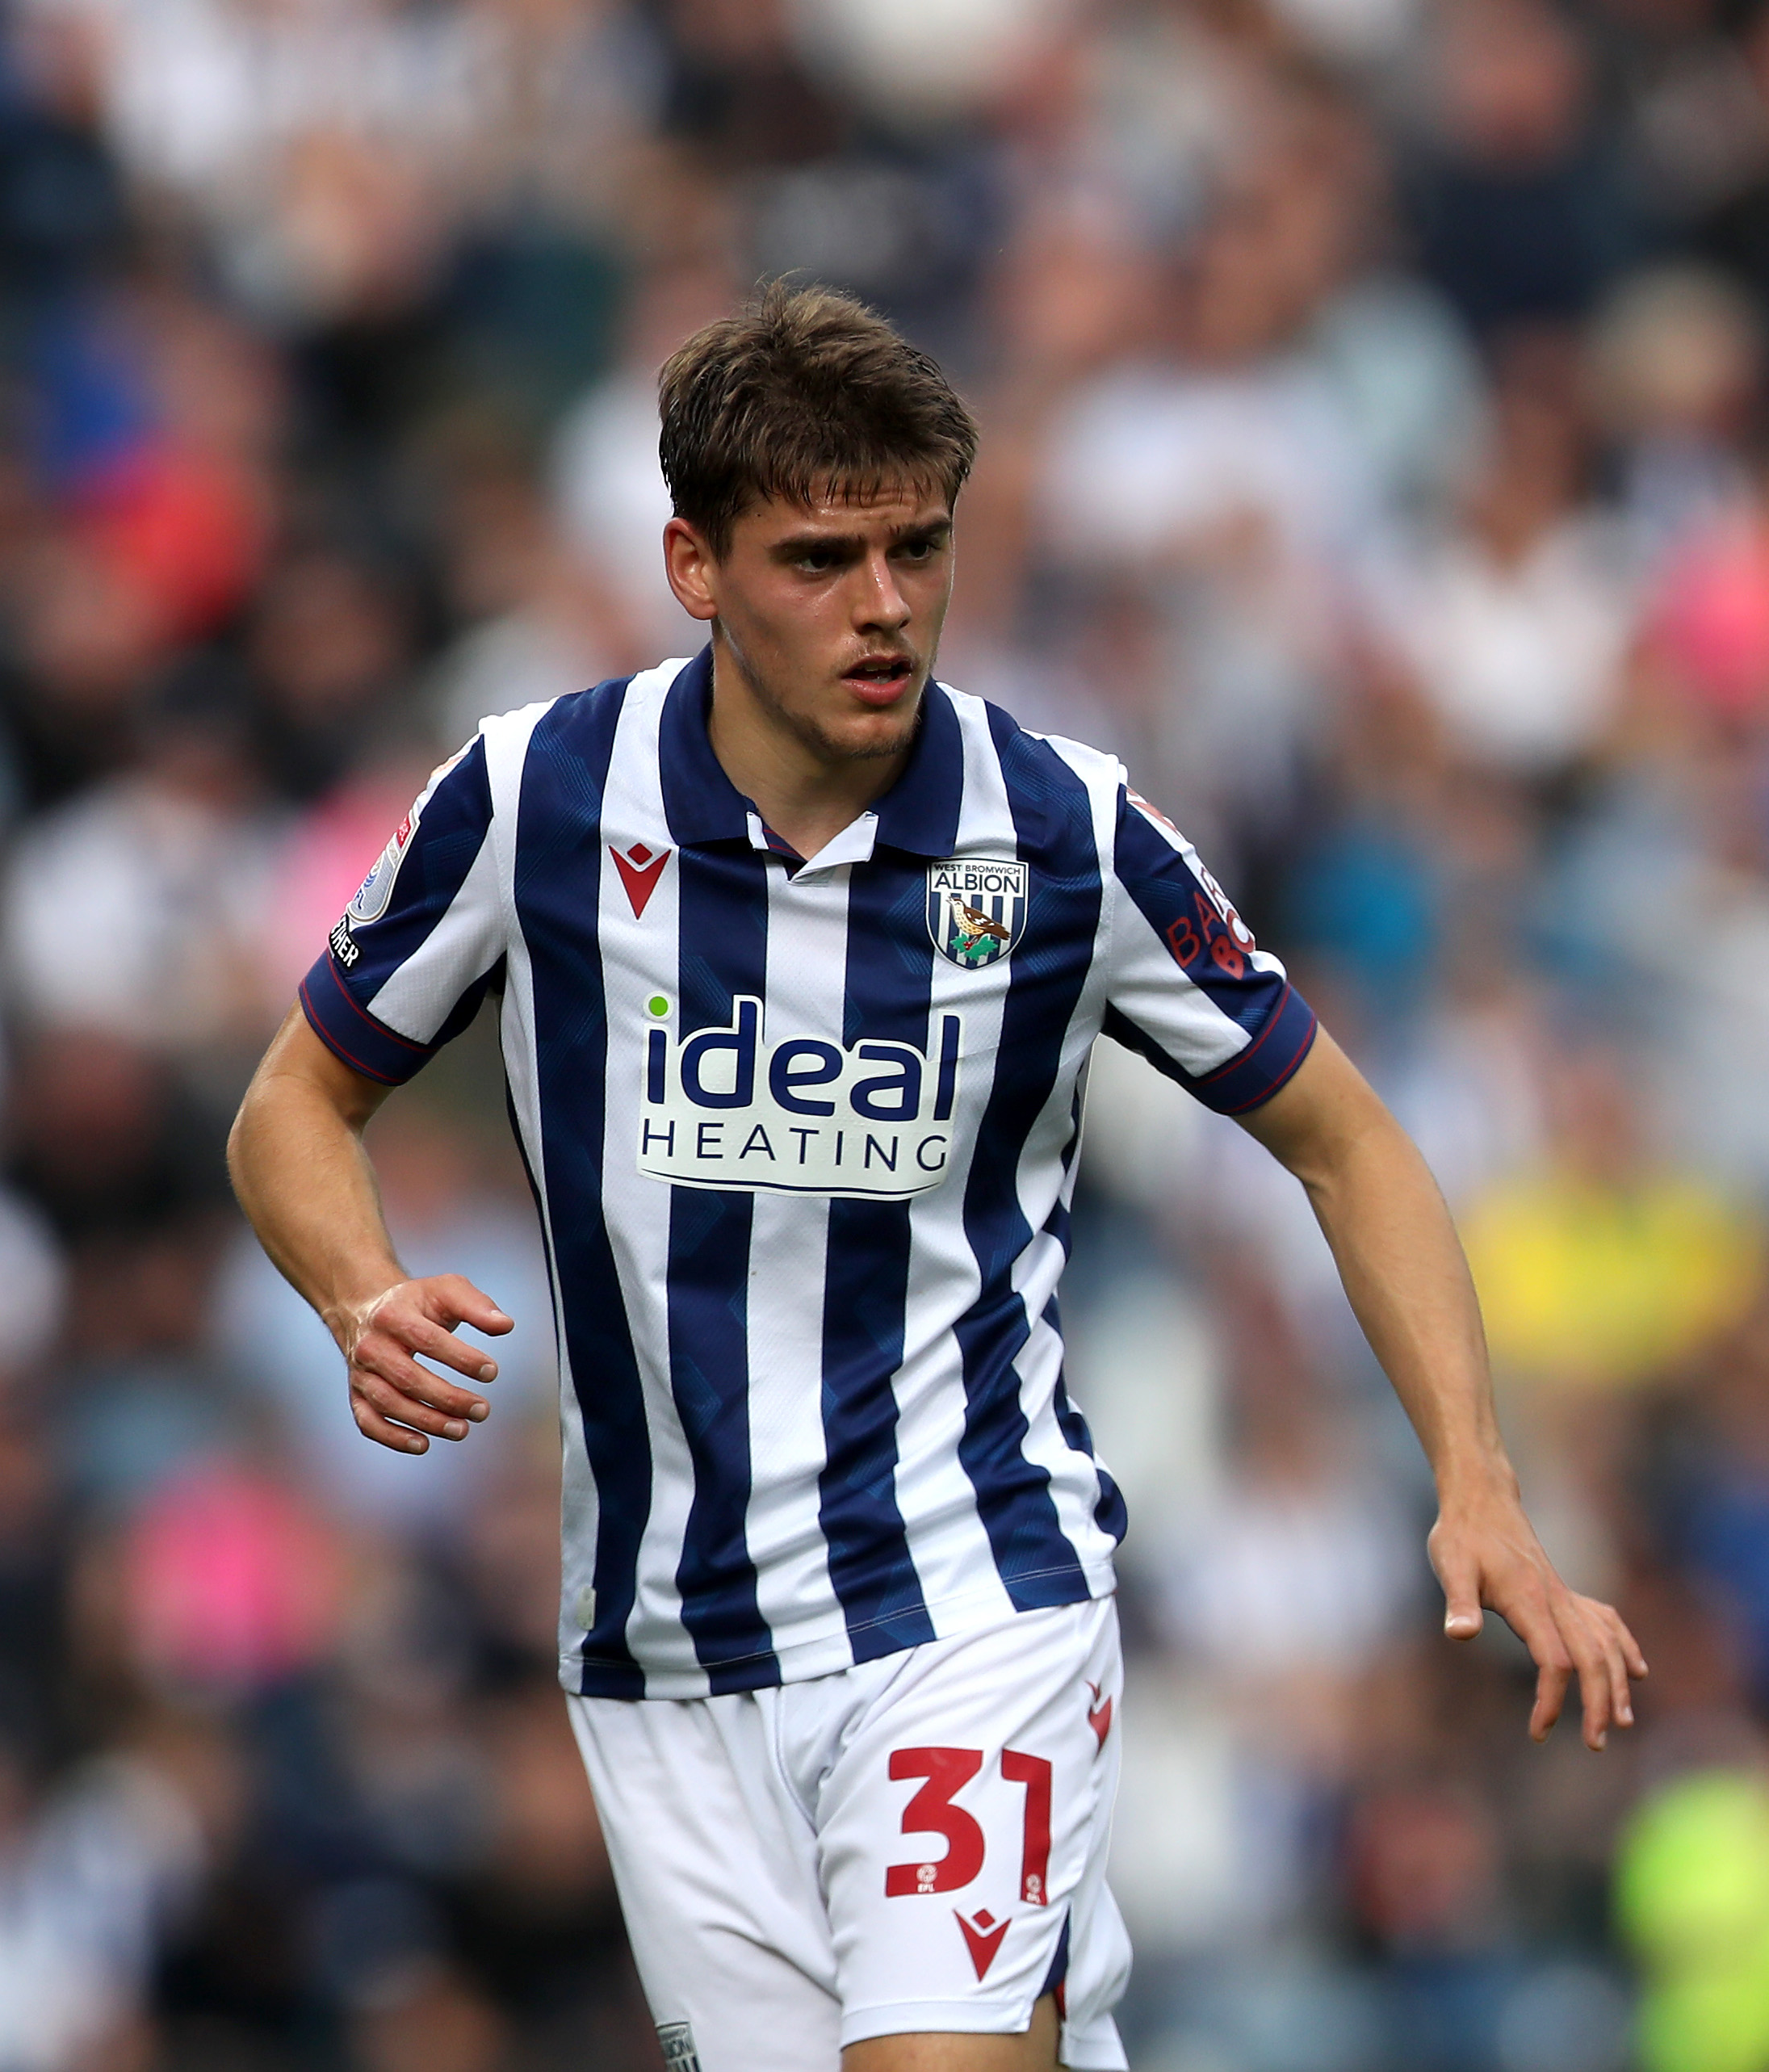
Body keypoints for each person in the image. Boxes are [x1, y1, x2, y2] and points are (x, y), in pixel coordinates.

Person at [227, 281, 1645, 2072]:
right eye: (820, 558)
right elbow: (290, 1101)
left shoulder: (1060, 830)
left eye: (917, 547)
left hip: (965, 1595)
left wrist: (1476, 1478)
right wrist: (358, 1288)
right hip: (663, 1657)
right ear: (692, 562)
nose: (883, 603)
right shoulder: (537, 799)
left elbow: (1344, 1136)